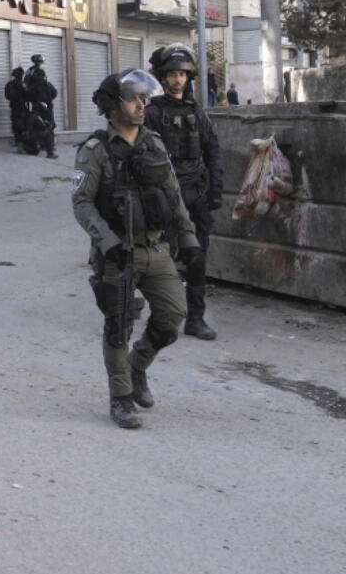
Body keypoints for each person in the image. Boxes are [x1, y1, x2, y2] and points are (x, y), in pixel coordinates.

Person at [72, 69, 201, 429]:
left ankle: (137, 365)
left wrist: (188, 239)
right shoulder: (95, 150)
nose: (141, 105)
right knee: (118, 325)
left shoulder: (154, 144)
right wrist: (107, 242)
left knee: (173, 318)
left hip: (156, 249)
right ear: (113, 107)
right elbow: (82, 204)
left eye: (143, 98)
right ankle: (121, 398)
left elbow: (173, 197)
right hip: (118, 253)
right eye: (132, 99)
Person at [145, 44, 225, 340]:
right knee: (159, 260)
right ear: (163, 78)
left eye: (181, 74)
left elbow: (214, 151)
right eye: (172, 74)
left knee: (197, 258)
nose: (177, 80)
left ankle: (196, 319)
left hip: (195, 195)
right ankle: (162, 317)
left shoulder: (197, 113)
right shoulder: (152, 113)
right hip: (163, 197)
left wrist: (215, 190)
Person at [26, 67, 59, 158]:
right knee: (49, 127)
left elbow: (28, 97)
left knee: (39, 128)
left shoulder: (33, 86)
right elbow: (55, 93)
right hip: (48, 109)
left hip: (38, 110)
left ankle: (41, 146)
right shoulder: (48, 84)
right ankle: (49, 149)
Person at [5, 67, 28, 154]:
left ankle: (20, 144)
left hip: (16, 108)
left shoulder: (11, 84)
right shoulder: (22, 84)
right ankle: (21, 145)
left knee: (17, 127)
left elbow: (7, 96)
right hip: (20, 108)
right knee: (21, 126)